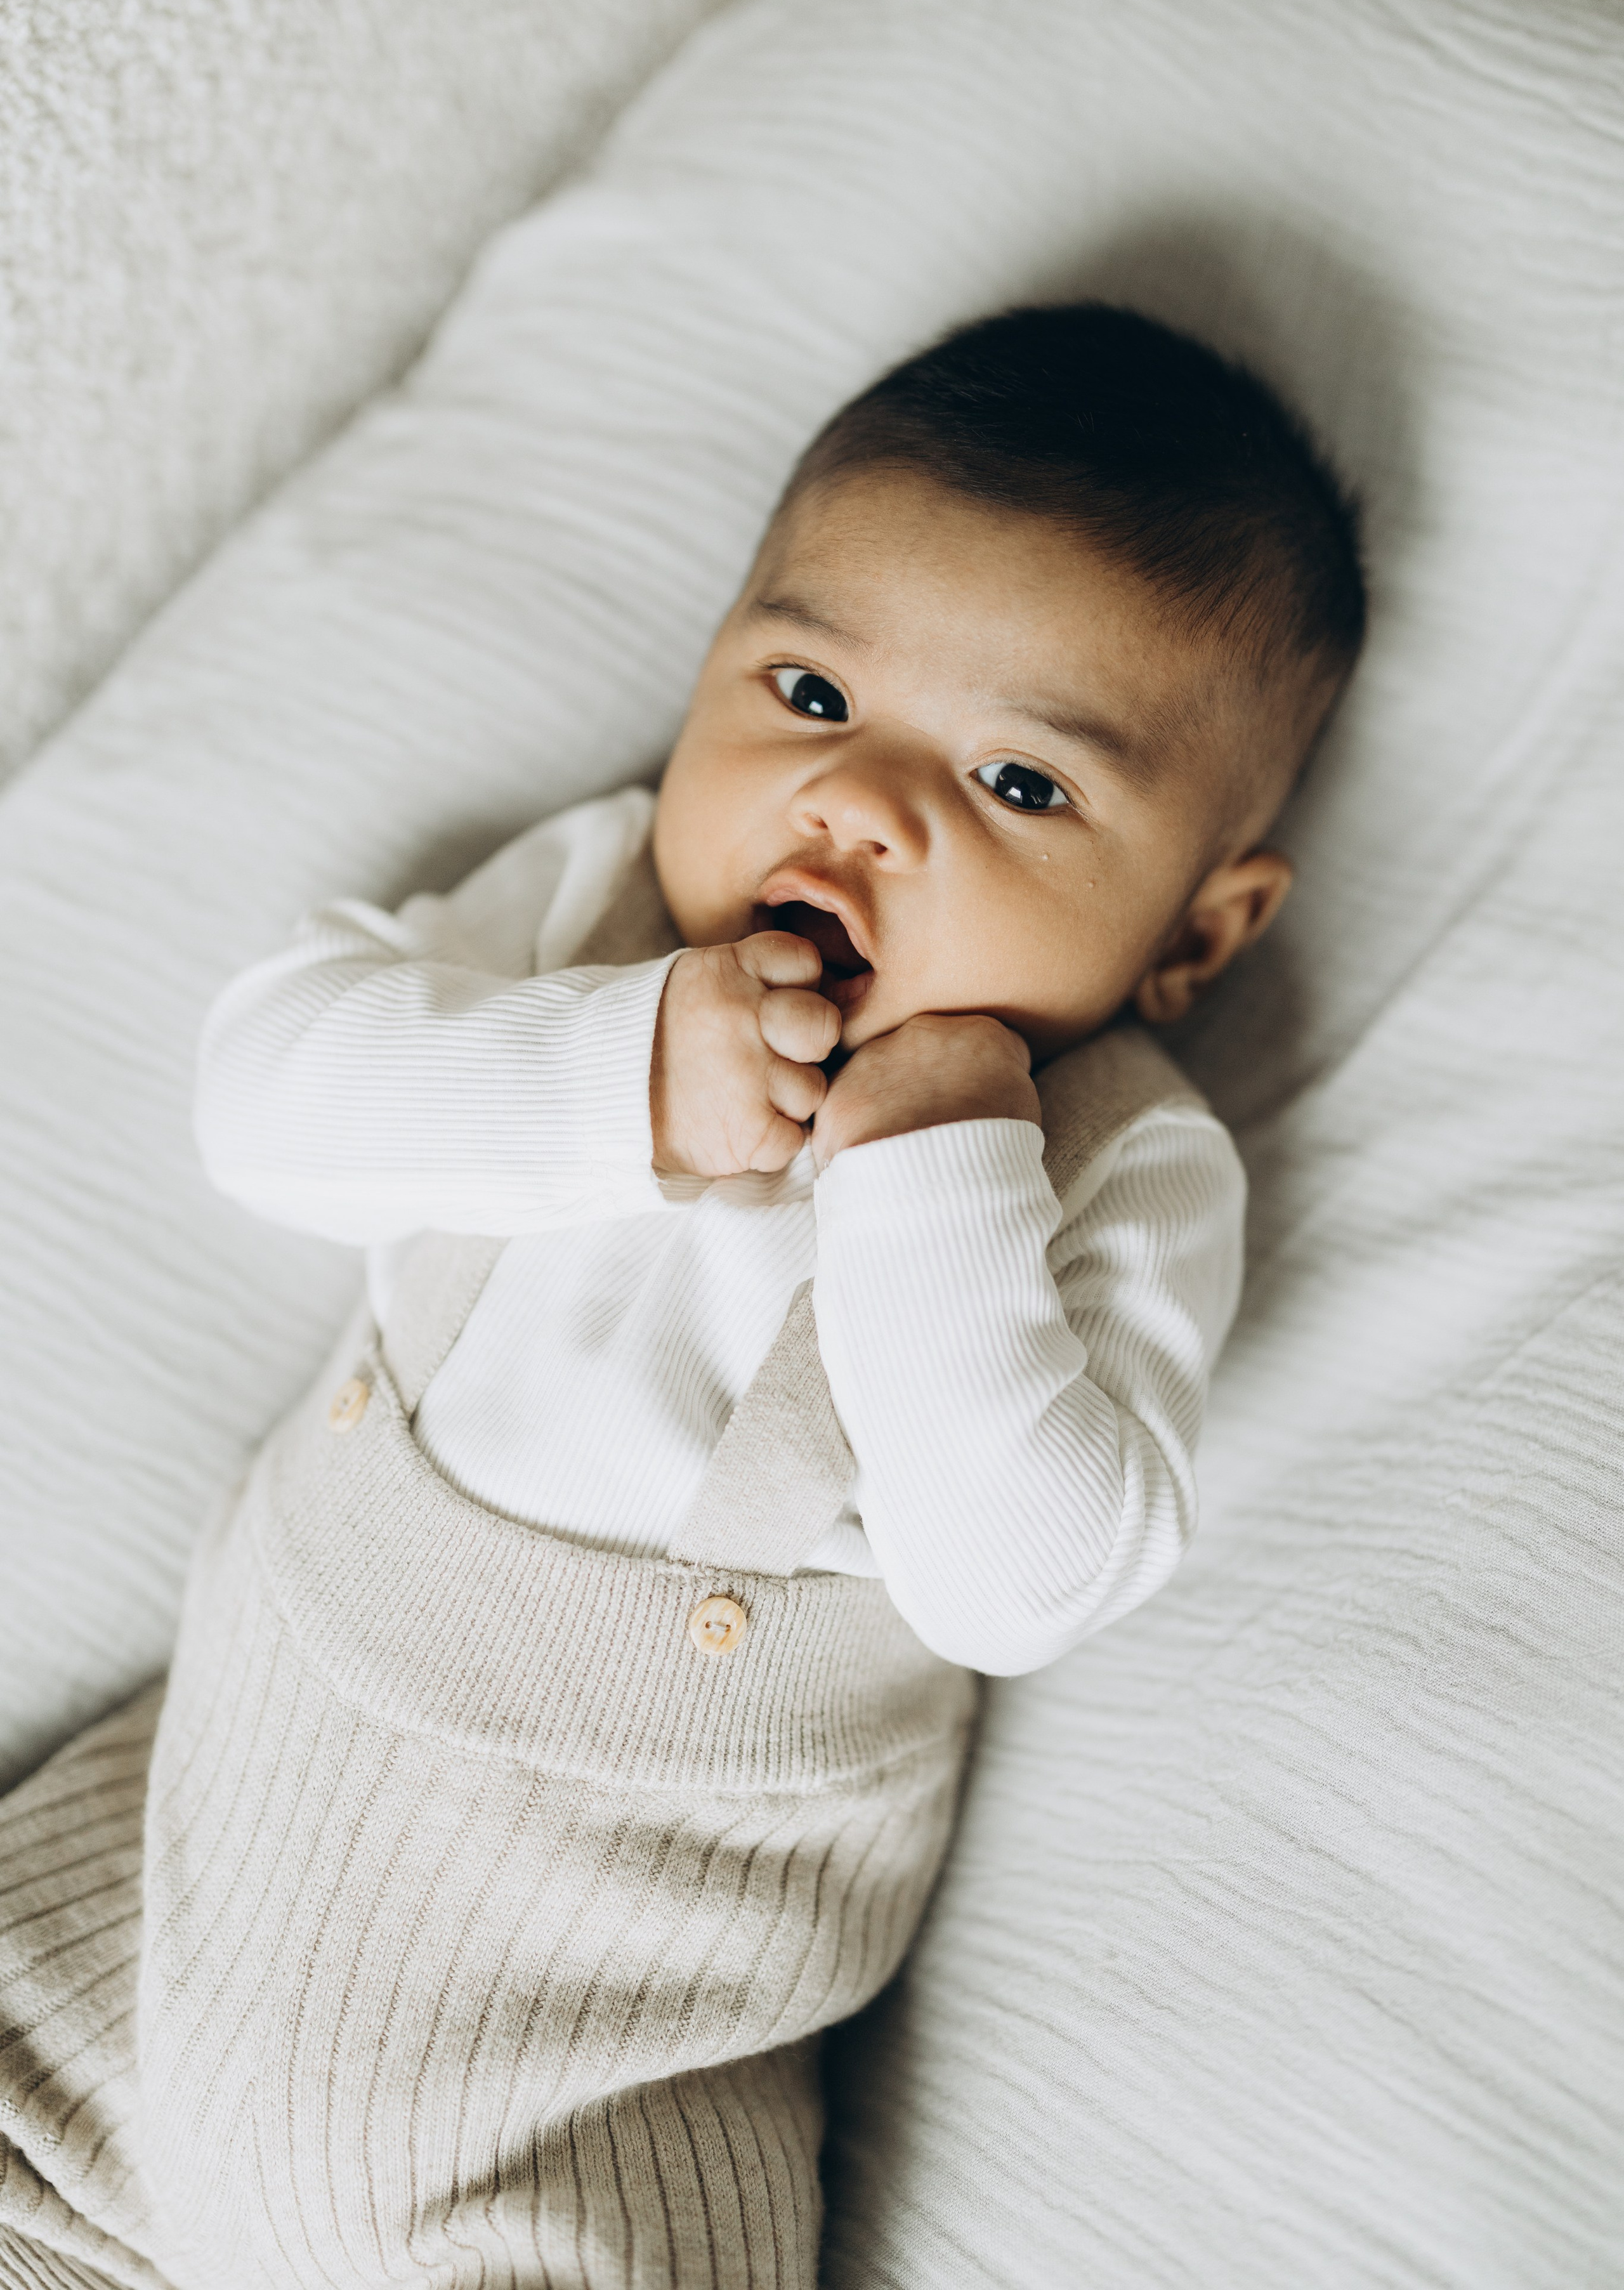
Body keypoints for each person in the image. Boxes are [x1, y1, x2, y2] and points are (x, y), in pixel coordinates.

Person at [0, 304, 1364, 2290]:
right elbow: (266, 1100)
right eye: (809, 692)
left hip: (593, 2052)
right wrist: (608, 1076)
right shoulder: (591, 918)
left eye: (1018, 782)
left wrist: (931, 1179)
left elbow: (1026, 1578)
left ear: (1197, 934)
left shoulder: (1114, 1161)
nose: (859, 805)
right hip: (165, 1913)